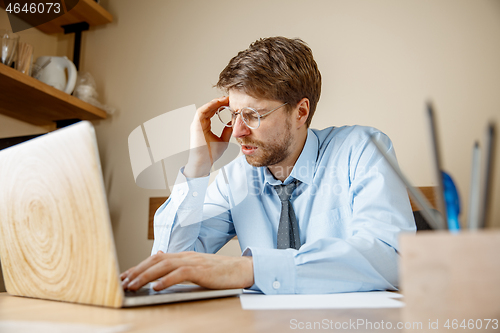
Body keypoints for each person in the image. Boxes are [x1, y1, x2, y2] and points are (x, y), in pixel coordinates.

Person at [121, 36, 416, 294]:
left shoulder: (361, 149)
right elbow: (169, 265)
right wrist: (198, 165)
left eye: (252, 115)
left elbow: (391, 257)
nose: (237, 131)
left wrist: (250, 270)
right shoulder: (235, 178)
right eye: (233, 114)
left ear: (300, 112)